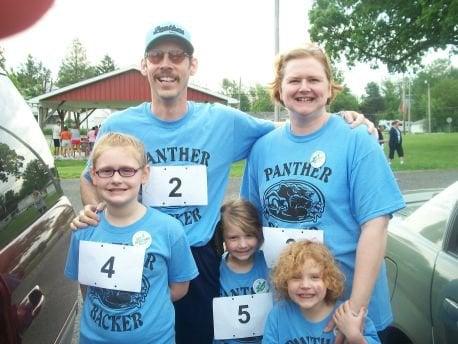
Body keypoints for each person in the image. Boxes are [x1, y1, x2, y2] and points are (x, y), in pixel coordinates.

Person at [71, 22, 374, 344]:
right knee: (131, 332)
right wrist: (95, 213)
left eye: (177, 56)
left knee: (199, 337)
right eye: (156, 56)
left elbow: (287, 126)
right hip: (139, 252)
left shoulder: (222, 120)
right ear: (144, 65)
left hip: (200, 256)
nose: (166, 64)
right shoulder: (121, 124)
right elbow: (89, 177)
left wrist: (340, 120)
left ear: (192, 65)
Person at [241, 44, 405, 342]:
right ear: (280, 90)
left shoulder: (357, 140)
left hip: (349, 309)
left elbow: (376, 225)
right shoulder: (263, 148)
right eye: (294, 81)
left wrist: (353, 311)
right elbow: (253, 225)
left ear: (330, 89)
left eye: (314, 80)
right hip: (290, 309)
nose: (304, 88)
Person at [64, 132, 198, 343]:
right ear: (94, 175)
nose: (116, 179)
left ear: (144, 174)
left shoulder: (170, 230)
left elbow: (179, 287)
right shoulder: (84, 229)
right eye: (106, 171)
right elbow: (86, 288)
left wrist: (148, 303)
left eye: (127, 170)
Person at [262, 240, 380, 344]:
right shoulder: (279, 314)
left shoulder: (348, 315)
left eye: (314, 277)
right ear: (285, 282)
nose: (305, 285)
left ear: (329, 280)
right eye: (296, 277)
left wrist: (355, 337)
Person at [214, 199, 269, 344]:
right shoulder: (215, 269)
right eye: (233, 238)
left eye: (249, 235)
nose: (243, 244)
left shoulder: (269, 265)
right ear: (223, 237)